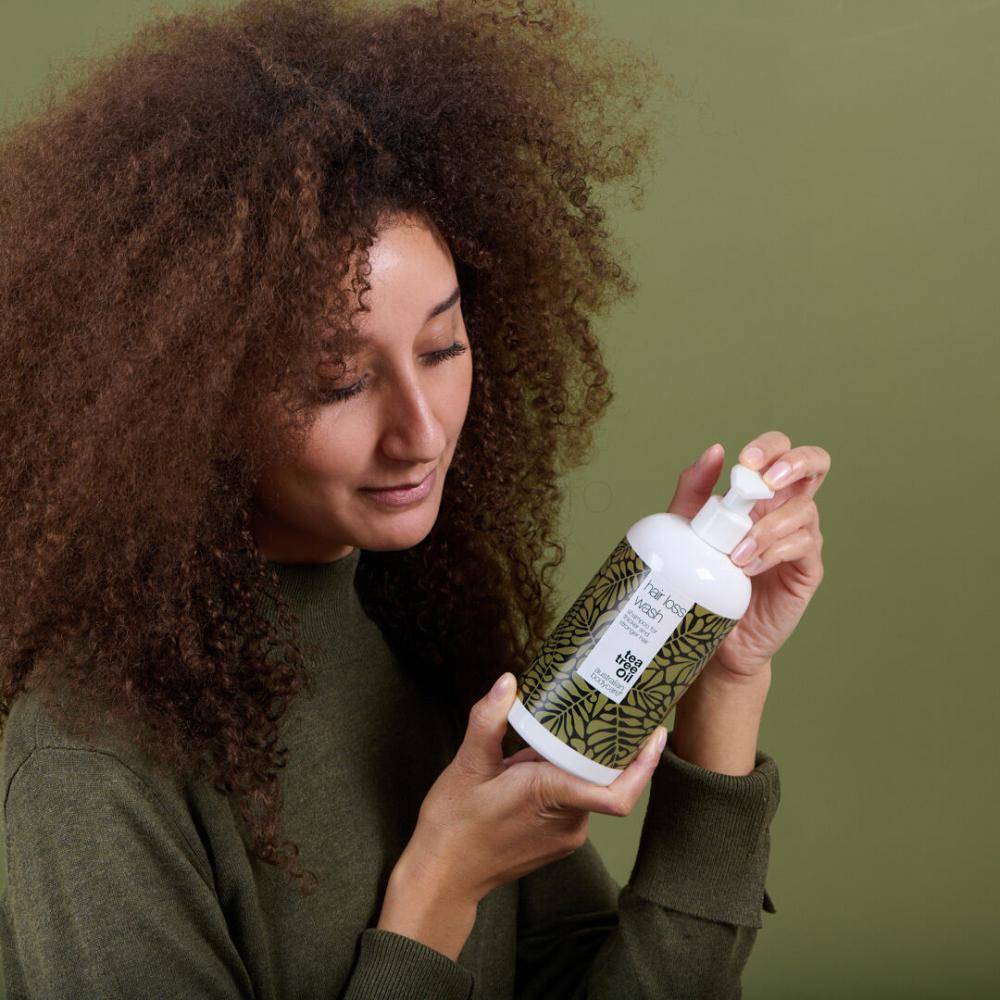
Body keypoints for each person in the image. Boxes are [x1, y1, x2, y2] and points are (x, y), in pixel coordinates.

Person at [0, 0, 830, 997]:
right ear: (189, 396)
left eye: (441, 347)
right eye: (338, 381)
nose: (423, 432)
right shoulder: (90, 755)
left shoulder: (420, 639)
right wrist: (441, 885)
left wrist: (724, 679)